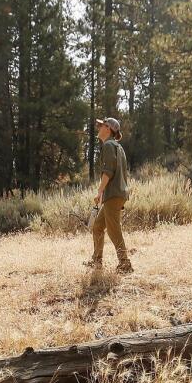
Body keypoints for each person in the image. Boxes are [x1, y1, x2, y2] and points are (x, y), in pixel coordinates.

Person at [87, 117, 133, 273]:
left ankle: (125, 263)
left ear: (108, 129)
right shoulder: (117, 146)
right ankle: (96, 261)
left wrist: (99, 191)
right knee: (98, 227)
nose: (98, 127)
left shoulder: (108, 145)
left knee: (114, 230)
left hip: (112, 194)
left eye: (101, 125)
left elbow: (108, 172)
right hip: (117, 193)